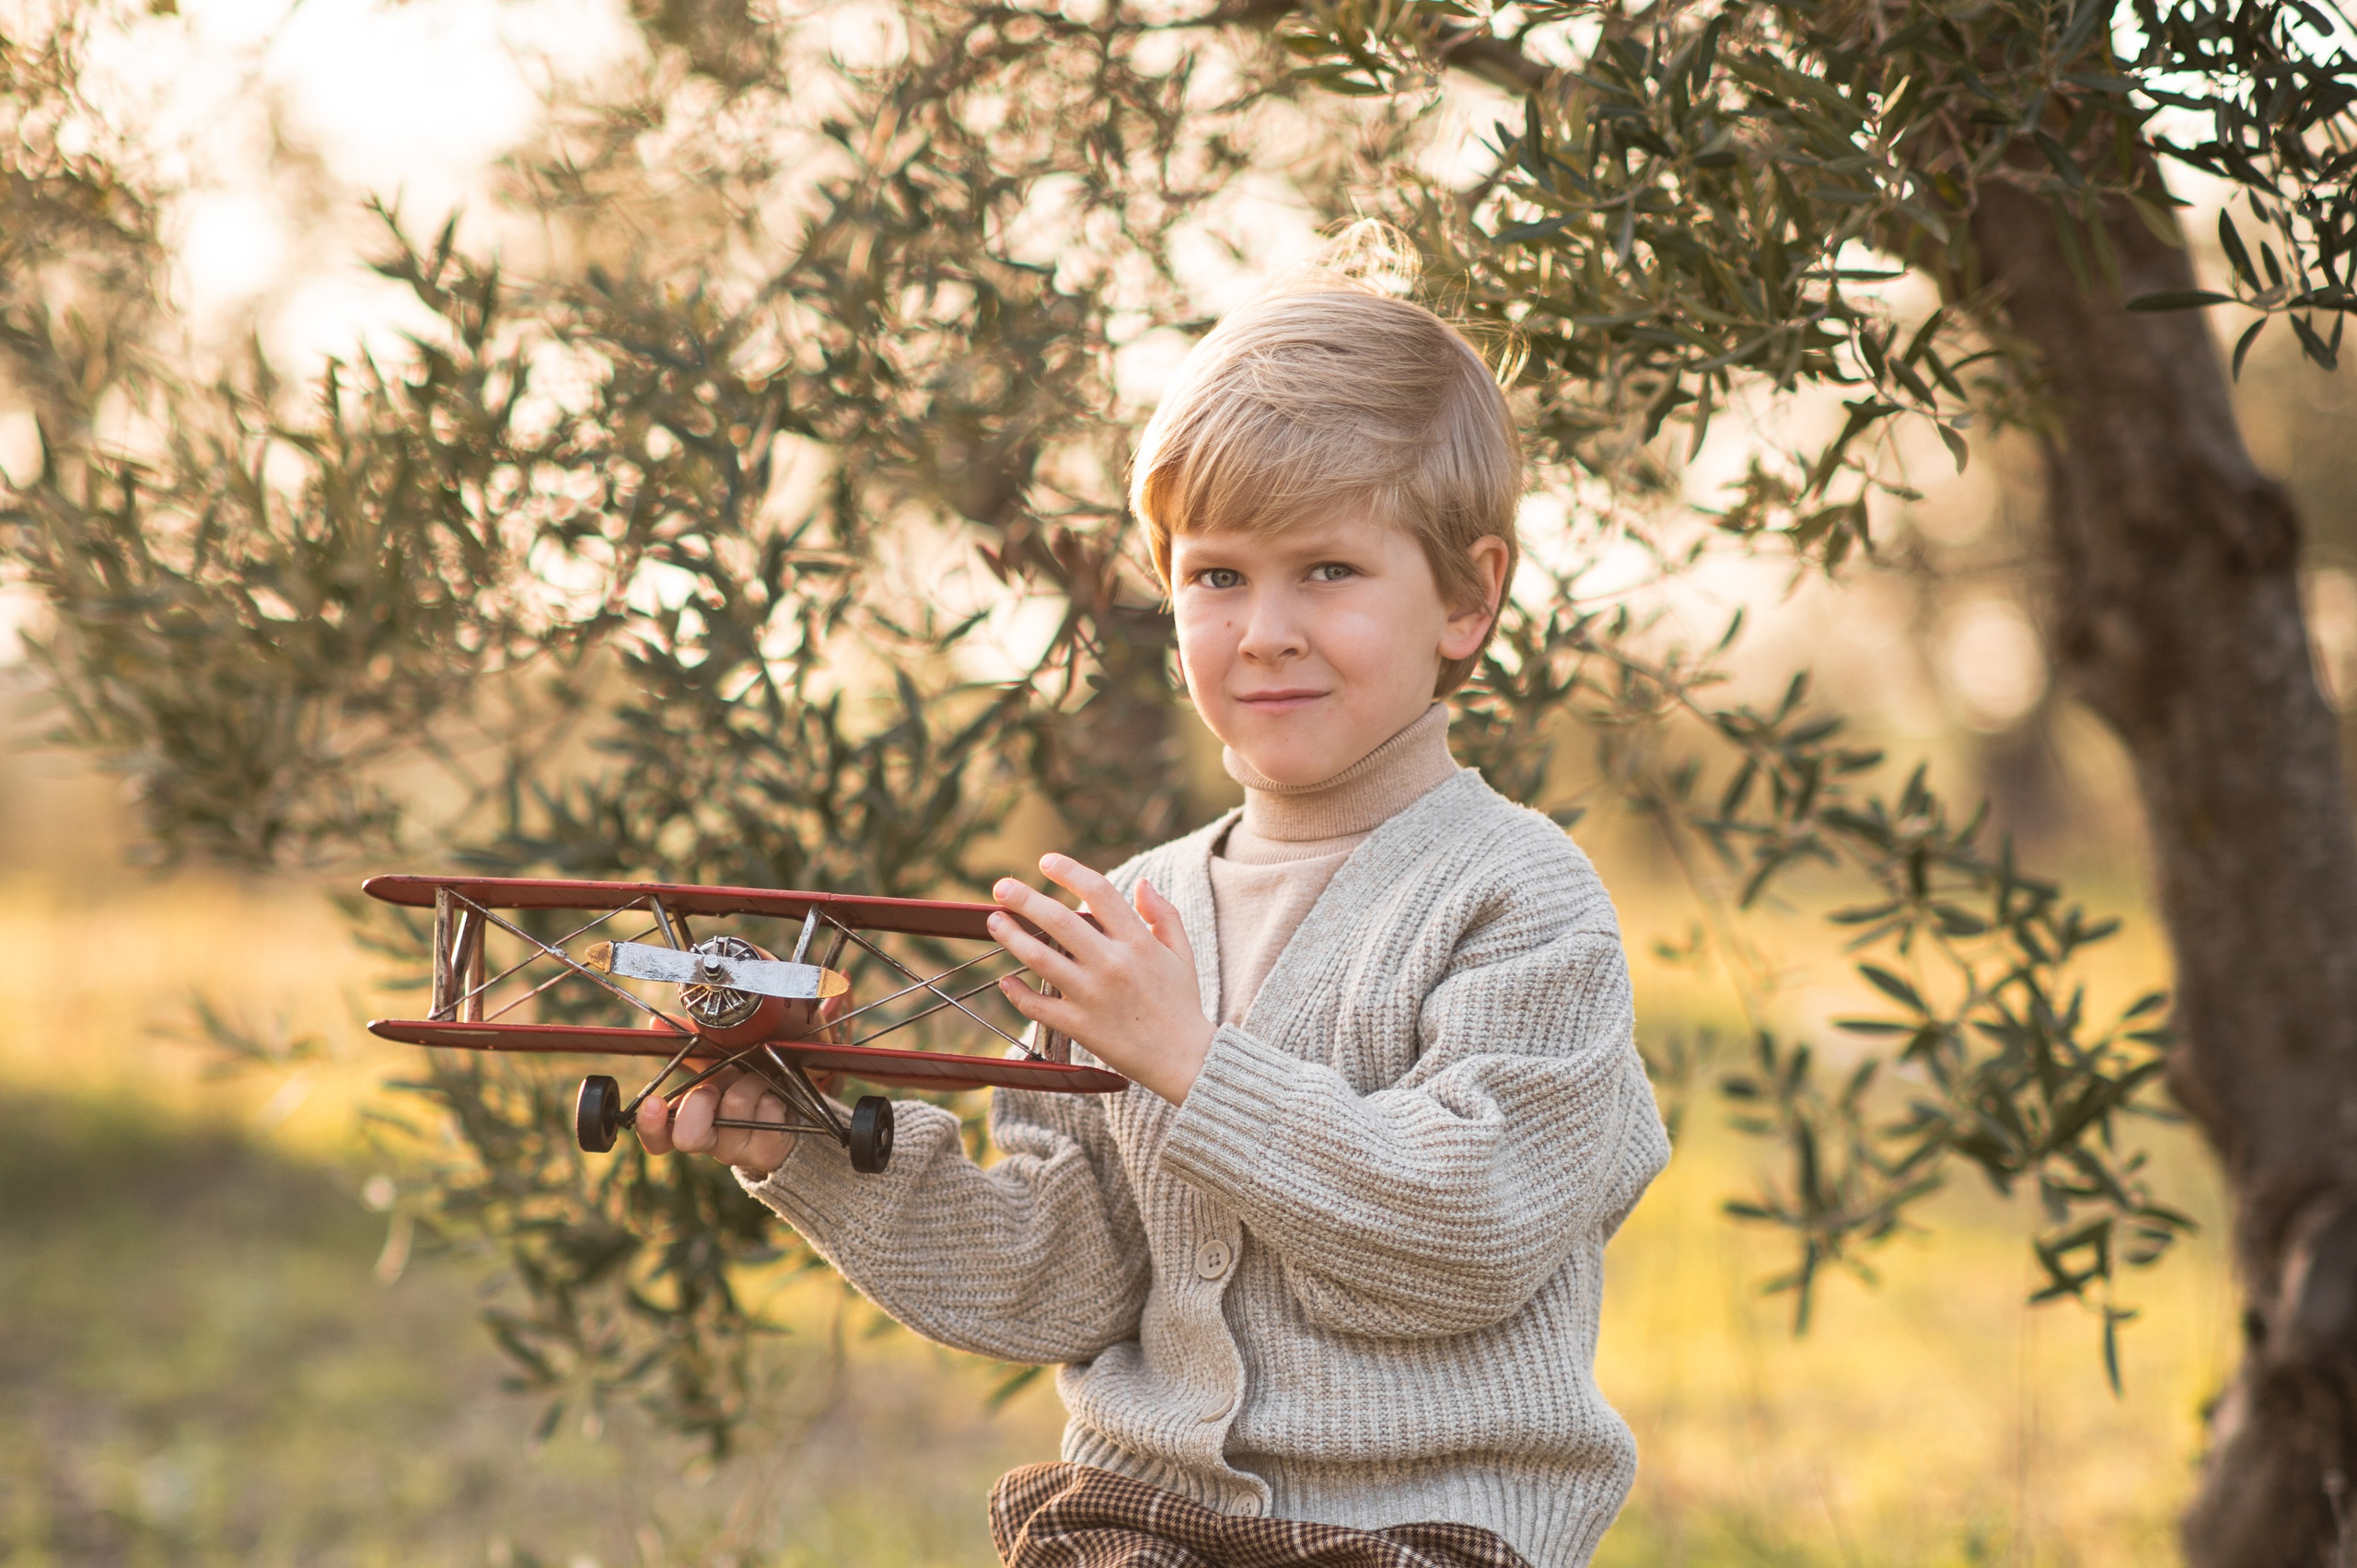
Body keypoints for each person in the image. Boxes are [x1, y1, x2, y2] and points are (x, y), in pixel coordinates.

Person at [635, 238, 1671, 1568]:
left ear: (1469, 597)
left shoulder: (1521, 899)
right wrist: (815, 1149)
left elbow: (1467, 1232)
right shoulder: (1138, 908)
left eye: (1329, 572)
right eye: (1218, 575)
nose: (1265, 630)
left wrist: (1190, 1061)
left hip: (1422, 1535)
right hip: (1149, 1525)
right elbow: (1062, 1272)